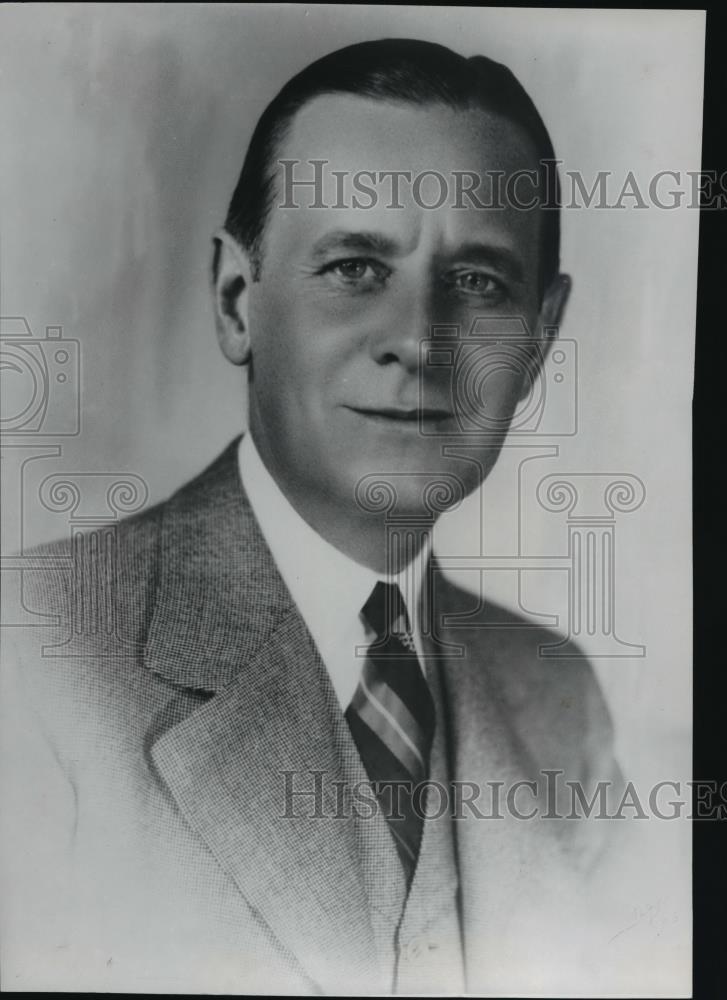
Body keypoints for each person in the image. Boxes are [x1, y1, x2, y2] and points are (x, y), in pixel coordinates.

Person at [1, 38, 626, 994]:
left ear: (539, 343)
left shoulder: (561, 706)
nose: (419, 342)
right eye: (355, 268)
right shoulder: (35, 654)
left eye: (478, 282)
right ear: (235, 301)